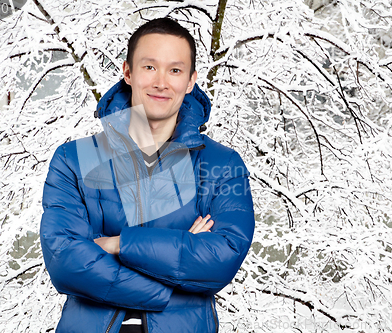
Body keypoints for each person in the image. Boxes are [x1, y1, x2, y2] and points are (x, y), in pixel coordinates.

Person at [40, 17, 255, 333]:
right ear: (128, 72)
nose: (161, 82)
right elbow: (65, 261)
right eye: (149, 67)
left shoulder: (222, 164)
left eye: (175, 70)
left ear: (191, 81)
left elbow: (221, 259)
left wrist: (116, 244)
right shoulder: (74, 159)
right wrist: (174, 275)